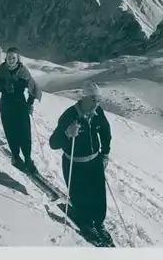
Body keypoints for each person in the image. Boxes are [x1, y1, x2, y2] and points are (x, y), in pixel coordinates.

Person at [48, 81, 112, 237]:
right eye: (93, 100)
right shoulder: (69, 115)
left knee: (98, 196)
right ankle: (86, 222)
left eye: (98, 100)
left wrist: (105, 153)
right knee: (80, 196)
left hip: (94, 161)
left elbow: (105, 132)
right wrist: (67, 133)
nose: (96, 104)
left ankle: (98, 222)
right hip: (74, 164)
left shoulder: (98, 113)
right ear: (84, 98)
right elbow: (53, 143)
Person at [0, 47, 42, 173]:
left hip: (20, 105)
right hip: (6, 105)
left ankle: (28, 159)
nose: (11, 60)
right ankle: (16, 157)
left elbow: (33, 88)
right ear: (6, 58)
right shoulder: (2, 70)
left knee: (25, 133)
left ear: (17, 59)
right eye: (9, 57)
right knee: (11, 132)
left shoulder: (23, 72)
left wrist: (29, 103)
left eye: (13, 57)